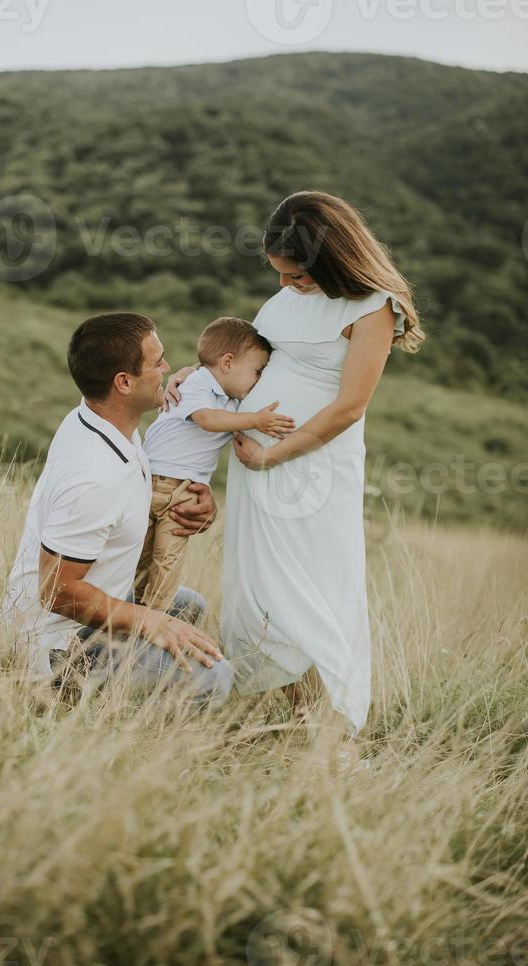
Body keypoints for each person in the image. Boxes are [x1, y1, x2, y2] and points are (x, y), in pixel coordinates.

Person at [163, 190, 423, 763]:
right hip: (256, 467)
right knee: (261, 590)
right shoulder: (284, 300)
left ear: (333, 260)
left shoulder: (372, 307)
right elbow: (247, 357)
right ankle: (299, 716)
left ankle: (336, 733)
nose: (286, 286)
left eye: (298, 275)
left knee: (313, 589)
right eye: (278, 274)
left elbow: (350, 406)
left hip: (310, 468)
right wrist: (194, 374)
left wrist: (273, 456)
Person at [1, 311, 234, 707]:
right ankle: (73, 699)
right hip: (59, 642)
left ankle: (130, 682)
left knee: (189, 606)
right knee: (214, 680)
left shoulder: (104, 419)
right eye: (157, 362)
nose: (168, 369)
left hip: (97, 596)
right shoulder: (93, 478)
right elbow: (55, 590)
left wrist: (192, 504)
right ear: (123, 383)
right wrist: (148, 621)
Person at [134, 316, 295, 610]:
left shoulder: (233, 402)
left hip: (183, 494)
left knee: (166, 563)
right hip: (149, 483)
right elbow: (207, 420)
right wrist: (257, 419)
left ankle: (152, 622)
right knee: (136, 557)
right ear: (228, 362)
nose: (258, 380)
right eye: (257, 372)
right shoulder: (198, 383)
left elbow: (229, 420)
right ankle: (125, 617)